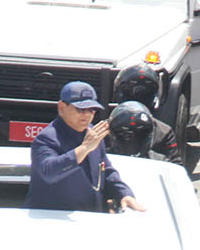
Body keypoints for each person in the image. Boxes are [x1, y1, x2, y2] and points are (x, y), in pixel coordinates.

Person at [24, 81, 144, 213]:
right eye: (80, 109)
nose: (87, 115)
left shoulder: (92, 133)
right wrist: (84, 148)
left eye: (91, 110)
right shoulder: (47, 138)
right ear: (62, 108)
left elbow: (106, 171)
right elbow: (48, 172)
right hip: (52, 220)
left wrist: (123, 193)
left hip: (89, 219)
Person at [106, 100, 181, 164]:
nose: (132, 140)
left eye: (139, 134)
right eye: (124, 134)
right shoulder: (99, 132)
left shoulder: (164, 132)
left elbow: (175, 165)